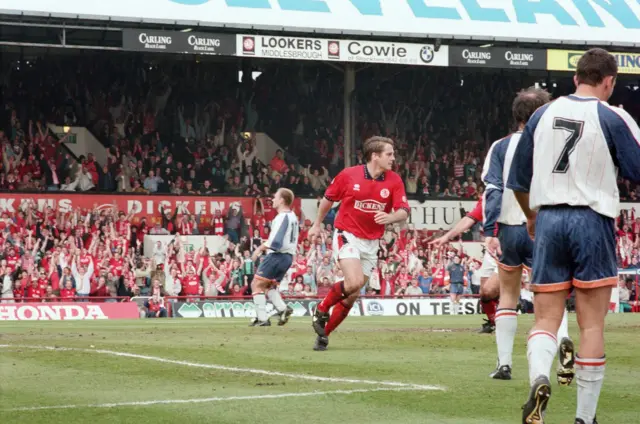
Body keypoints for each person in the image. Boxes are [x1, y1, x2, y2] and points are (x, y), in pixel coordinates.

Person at [508, 48, 640, 424]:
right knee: (592, 324)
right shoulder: (612, 115)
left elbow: (518, 180)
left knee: (545, 319)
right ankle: (584, 417)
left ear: (575, 78)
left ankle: (538, 379)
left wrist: (532, 217)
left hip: (548, 217)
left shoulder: (540, 114)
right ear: (609, 81)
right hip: (591, 219)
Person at [482, 87, 574, 383]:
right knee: (552, 297)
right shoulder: (556, 144)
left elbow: (493, 189)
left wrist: (488, 231)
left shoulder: (500, 147)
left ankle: (504, 364)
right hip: (546, 226)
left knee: (508, 295)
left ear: (516, 114)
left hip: (510, 228)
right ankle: (562, 347)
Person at [307, 136, 409, 351]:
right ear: (375, 156)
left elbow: (404, 210)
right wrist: (317, 224)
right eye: (389, 154)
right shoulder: (348, 175)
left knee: (352, 295)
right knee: (353, 282)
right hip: (347, 234)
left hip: (372, 242)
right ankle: (322, 308)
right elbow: (328, 198)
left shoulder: (394, 180)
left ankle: (324, 334)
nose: (393, 158)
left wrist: (391, 218)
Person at [430, 197, 500, 333]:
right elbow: (469, 219)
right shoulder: (487, 197)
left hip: (508, 248)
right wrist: (447, 236)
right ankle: (493, 322)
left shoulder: (512, 192)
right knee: (485, 293)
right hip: (491, 252)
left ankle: (504, 324)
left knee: (497, 292)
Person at [249, 188, 298, 327]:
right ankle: (283, 309)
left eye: (275, 197)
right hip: (288, 256)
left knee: (256, 285)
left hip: (277, 255)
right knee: (269, 286)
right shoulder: (293, 216)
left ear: (282, 200)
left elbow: (276, 241)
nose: (273, 199)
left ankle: (262, 318)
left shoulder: (282, 217)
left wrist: (258, 249)